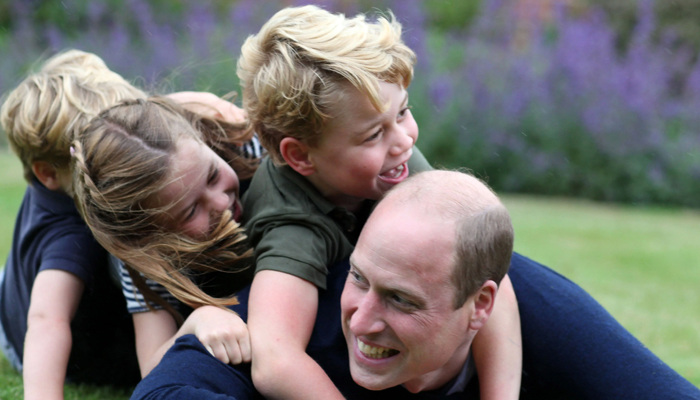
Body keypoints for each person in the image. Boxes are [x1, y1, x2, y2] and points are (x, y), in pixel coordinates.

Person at [130, 170, 700, 400]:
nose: (361, 319)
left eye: (401, 300)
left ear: (480, 305)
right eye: (360, 277)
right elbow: (164, 393)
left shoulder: (537, 311)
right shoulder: (300, 312)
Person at [236, 6, 521, 400]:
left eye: (402, 112)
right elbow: (275, 360)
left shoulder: (392, 161)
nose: (404, 141)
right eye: (373, 135)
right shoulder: (291, 224)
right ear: (301, 156)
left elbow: (491, 278)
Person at [72, 96, 262, 377]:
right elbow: (151, 367)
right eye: (191, 211)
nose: (222, 202)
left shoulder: (250, 148)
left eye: (212, 175)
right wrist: (197, 321)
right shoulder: (146, 257)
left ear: (202, 138)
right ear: (149, 235)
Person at [0, 49, 146, 399]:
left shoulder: (60, 182)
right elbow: (46, 323)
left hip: (16, 291)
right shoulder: (70, 236)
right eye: (101, 157)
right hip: (26, 337)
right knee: (42, 294)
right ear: (48, 173)